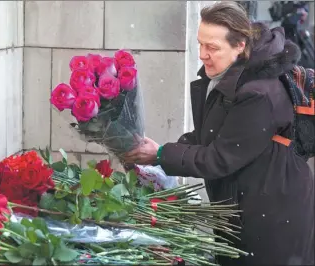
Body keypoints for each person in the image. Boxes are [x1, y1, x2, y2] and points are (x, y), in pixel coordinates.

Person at [123, 2, 314, 265]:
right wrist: (158, 152)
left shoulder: (257, 93)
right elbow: (211, 133)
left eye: (212, 47)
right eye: (200, 44)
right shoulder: (231, 75)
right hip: (246, 205)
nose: (202, 54)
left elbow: (220, 157)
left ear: (240, 46)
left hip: (272, 217)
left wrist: (160, 155)